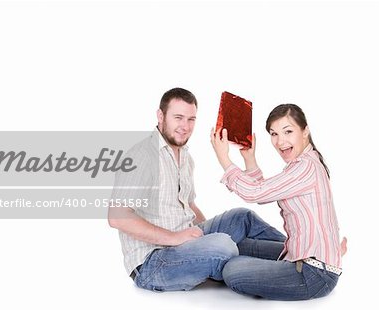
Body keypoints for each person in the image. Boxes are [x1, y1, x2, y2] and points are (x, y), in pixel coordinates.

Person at [108, 88, 286, 292]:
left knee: (241, 217)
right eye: (178, 118)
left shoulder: (185, 157)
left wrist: (209, 235)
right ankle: (268, 265)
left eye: (191, 119)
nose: (185, 126)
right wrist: (176, 238)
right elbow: (117, 217)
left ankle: (296, 255)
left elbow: (189, 205)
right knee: (224, 246)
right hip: (153, 263)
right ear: (160, 116)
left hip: (186, 239)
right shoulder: (142, 156)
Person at [210, 103, 344, 300]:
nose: (280, 141)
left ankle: (207, 258)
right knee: (235, 245)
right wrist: (249, 158)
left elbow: (255, 193)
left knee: (232, 269)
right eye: (274, 134)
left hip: (314, 275)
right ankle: (206, 252)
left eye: (288, 131)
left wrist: (224, 159)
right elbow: (265, 191)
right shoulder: (303, 164)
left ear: (305, 131)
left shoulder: (306, 167)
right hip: (299, 254)